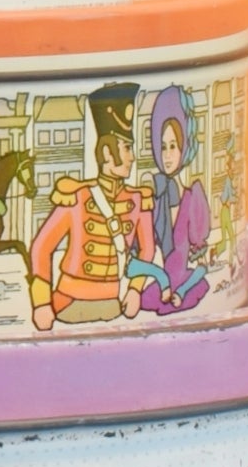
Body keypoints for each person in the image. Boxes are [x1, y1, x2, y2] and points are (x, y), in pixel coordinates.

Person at [28, 82, 156, 328]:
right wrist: (41, 303)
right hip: (69, 303)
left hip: (113, 305)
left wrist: (134, 289)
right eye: (126, 148)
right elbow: (41, 247)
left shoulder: (139, 200)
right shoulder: (76, 197)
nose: (132, 157)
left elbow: (147, 249)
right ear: (107, 153)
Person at [139, 86, 211, 315]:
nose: (168, 155)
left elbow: (197, 247)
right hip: (162, 282)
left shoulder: (193, 197)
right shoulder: (157, 198)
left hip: (184, 280)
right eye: (162, 147)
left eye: (173, 146)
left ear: (184, 147)